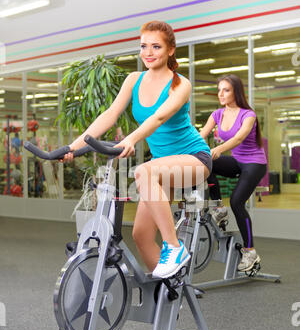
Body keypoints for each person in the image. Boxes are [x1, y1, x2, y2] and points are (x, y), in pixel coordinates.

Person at [62, 20, 212, 279]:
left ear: (170, 50)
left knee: (143, 172)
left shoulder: (181, 84)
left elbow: (158, 118)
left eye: (156, 46)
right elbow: (109, 115)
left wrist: (130, 139)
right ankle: (169, 287)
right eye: (144, 46)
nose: (148, 52)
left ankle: (175, 248)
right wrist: (73, 147)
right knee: (141, 235)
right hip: (162, 165)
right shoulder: (134, 79)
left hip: (194, 160)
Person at [200, 74, 267, 273]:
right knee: (206, 163)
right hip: (237, 162)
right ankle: (218, 207)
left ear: (236, 92)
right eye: (219, 90)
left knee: (237, 202)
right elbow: (201, 134)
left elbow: (238, 139)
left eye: (226, 90)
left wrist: (220, 149)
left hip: (254, 163)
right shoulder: (217, 114)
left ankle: (250, 252)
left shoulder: (248, 115)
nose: (221, 94)